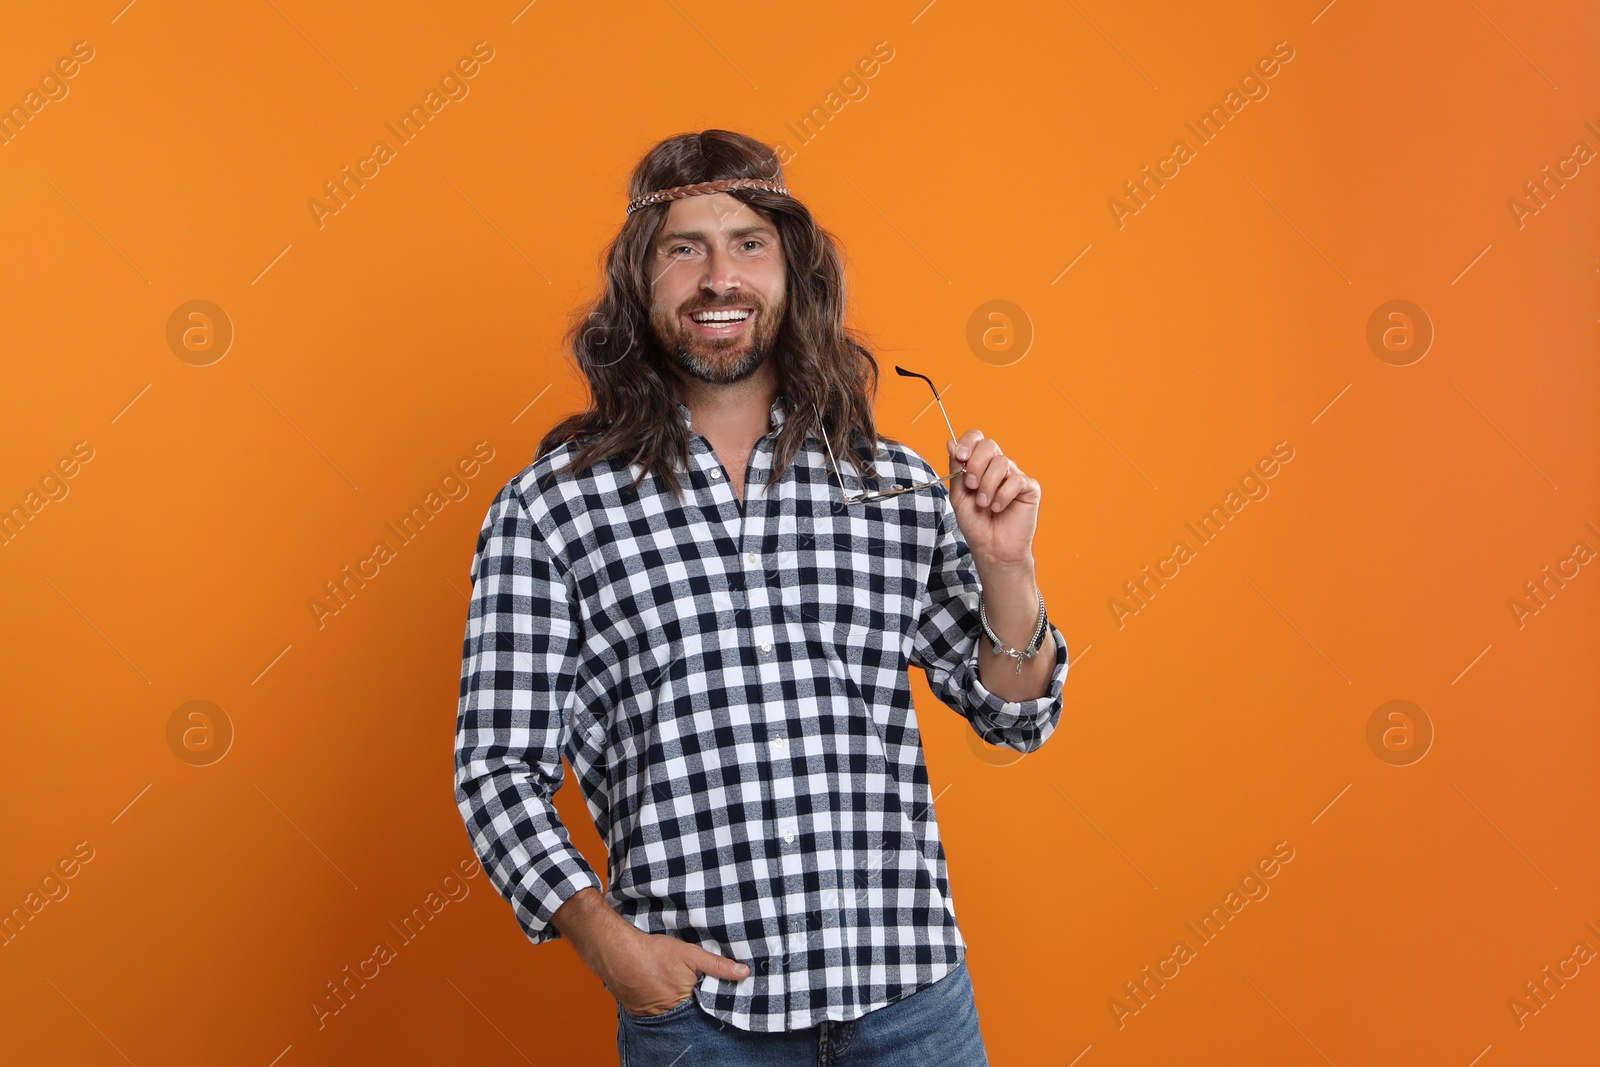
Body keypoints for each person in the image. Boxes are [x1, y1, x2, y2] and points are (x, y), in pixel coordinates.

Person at [454, 129, 1069, 1066]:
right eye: (683, 248)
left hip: (911, 1004)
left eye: (748, 243)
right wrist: (608, 945)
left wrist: (1007, 569)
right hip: (701, 1024)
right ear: (640, 278)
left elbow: (1014, 716)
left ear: (792, 271)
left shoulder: (889, 484)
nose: (718, 278)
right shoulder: (551, 509)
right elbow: (497, 767)